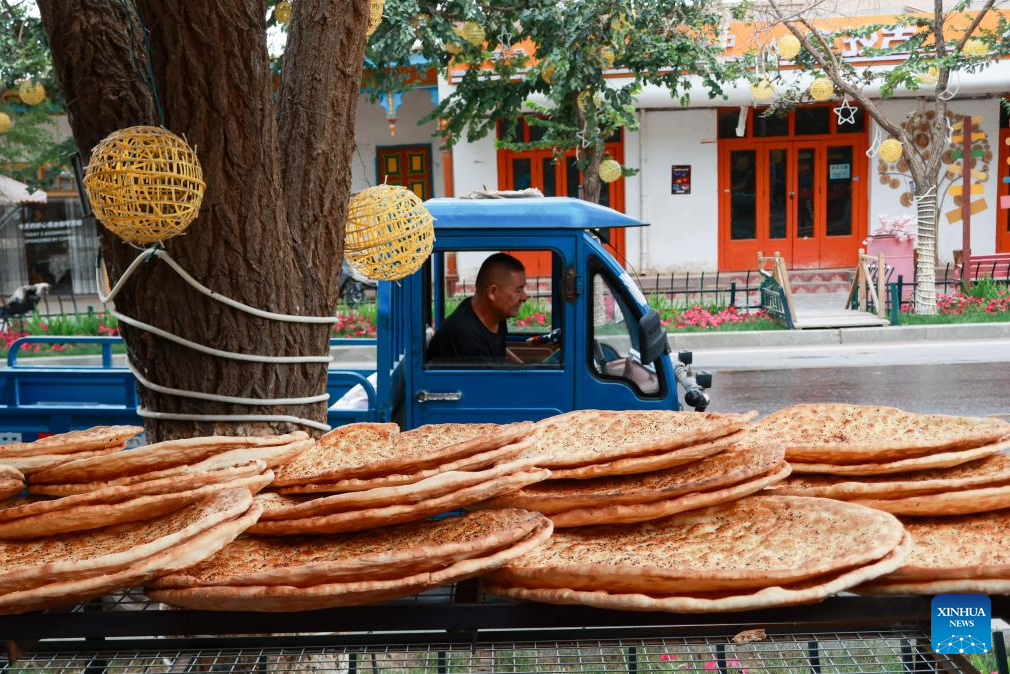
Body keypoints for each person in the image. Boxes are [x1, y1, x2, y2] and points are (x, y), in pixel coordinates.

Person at [426, 253, 528, 363]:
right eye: (518, 290)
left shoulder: (494, 315)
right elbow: (490, 379)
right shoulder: (466, 337)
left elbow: (499, 352)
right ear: (492, 292)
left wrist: (525, 369)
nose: (525, 297)